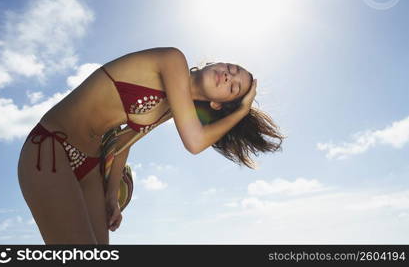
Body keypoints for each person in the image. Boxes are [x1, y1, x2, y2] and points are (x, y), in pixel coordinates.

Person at [17, 47, 284, 245]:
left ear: (217, 105)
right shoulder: (172, 60)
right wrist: (241, 110)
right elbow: (194, 142)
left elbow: (124, 143)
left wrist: (111, 196)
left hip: (88, 169)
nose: (228, 76)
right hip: (51, 147)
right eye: (231, 68)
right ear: (215, 63)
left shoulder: (170, 109)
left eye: (234, 87)